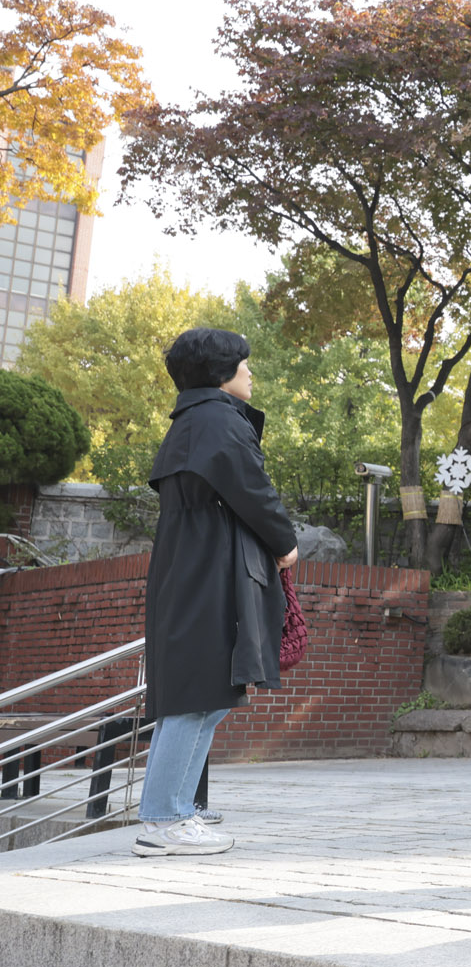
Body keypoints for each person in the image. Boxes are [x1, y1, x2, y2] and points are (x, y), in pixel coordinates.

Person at [135, 328, 299, 858]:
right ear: (219, 373)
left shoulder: (193, 421)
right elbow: (253, 490)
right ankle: (164, 819)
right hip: (206, 567)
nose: (249, 372)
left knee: (199, 695)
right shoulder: (217, 421)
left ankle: (175, 811)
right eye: (242, 364)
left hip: (191, 563)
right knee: (197, 695)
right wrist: (286, 544)